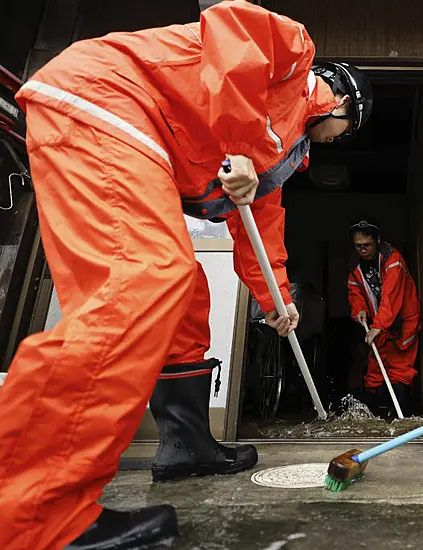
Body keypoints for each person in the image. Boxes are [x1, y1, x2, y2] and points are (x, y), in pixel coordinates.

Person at [0, 2, 372, 549]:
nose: (337, 140)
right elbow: (229, 25)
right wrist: (240, 146)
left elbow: (259, 228)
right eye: (344, 131)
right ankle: (32, 505)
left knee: (184, 294)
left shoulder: (285, 156)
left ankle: (186, 445)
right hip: (107, 101)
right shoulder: (294, 55)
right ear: (341, 102)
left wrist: (275, 300)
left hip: (129, 130)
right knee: (143, 279)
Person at [347, 220, 421, 419]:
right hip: (380, 323)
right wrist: (360, 309)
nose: (362, 250)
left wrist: (378, 325)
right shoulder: (356, 266)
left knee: (399, 369)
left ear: (377, 241)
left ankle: (399, 420)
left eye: (367, 245)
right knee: (375, 373)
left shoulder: (392, 261)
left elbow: (391, 297)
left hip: (401, 322)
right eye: (358, 246)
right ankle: (379, 419)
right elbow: (355, 291)